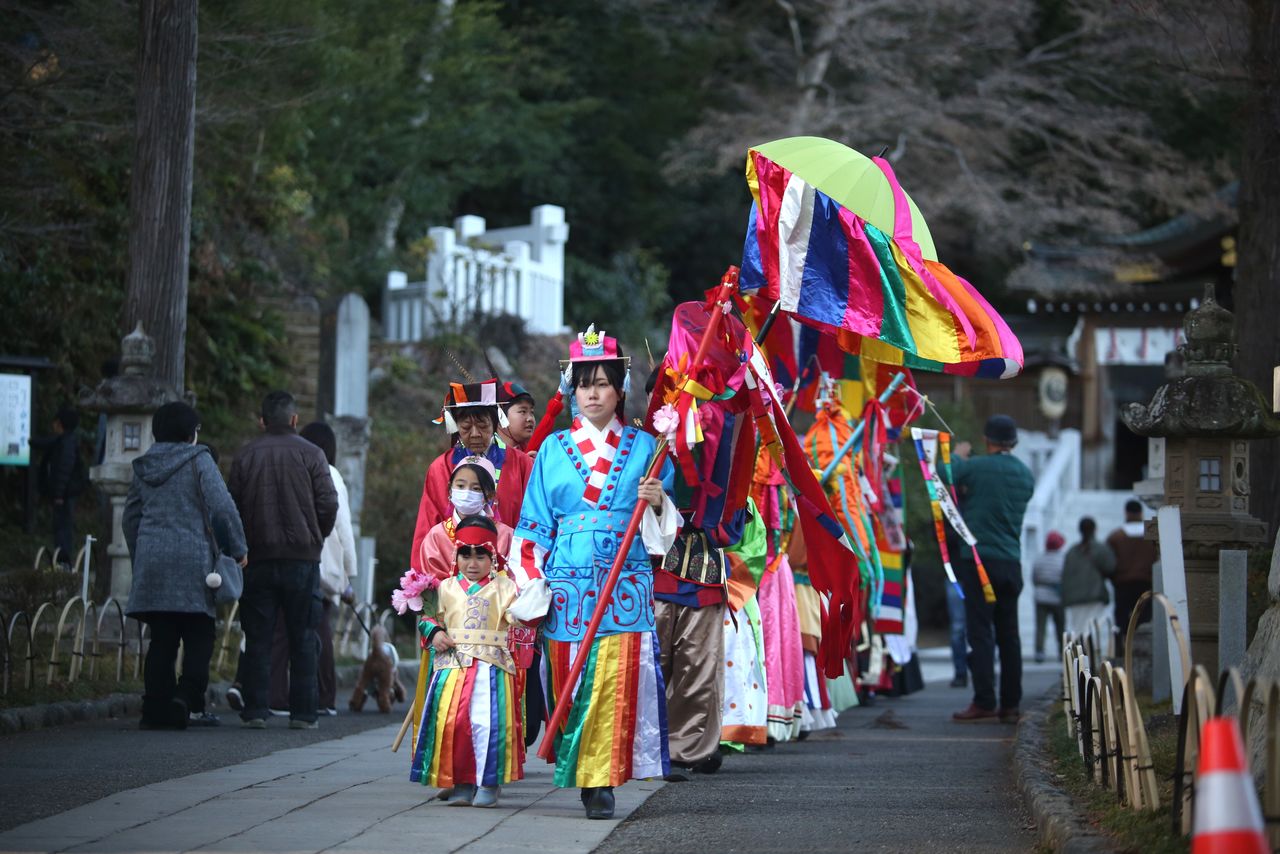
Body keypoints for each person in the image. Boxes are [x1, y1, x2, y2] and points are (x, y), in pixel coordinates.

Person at [507, 326, 678, 819]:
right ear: (572, 391)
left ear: (619, 389)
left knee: (614, 679)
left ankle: (600, 780)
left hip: (623, 584)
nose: (594, 393)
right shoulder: (554, 451)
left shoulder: (648, 450)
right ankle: (583, 766)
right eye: (586, 385)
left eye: (603, 383)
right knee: (569, 681)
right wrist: (532, 584)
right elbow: (533, 526)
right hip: (566, 587)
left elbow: (663, 532)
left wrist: (657, 500)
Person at [123, 401, 247, 729]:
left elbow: (131, 516)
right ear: (191, 433)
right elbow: (222, 508)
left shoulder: (144, 465)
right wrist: (237, 548)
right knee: (198, 635)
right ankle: (186, 697)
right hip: (194, 563)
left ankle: (154, 709)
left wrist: (142, 555)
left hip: (153, 560)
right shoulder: (200, 461)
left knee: (162, 637)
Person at [229, 391, 337, 730]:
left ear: (262, 421)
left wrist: (242, 544)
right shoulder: (313, 454)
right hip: (302, 559)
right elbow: (328, 503)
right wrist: (315, 535)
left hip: (257, 558)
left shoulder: (245, 455)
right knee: (304, 635)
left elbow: (231, 507)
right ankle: (304, 713)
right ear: (294, 419)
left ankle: (256, 709)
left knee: (258, 635)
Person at [408, 515, 525, 808]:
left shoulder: (507, 588)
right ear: (456, 554)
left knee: (487, 722)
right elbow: (428, 618)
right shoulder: (443, 588)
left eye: (481, 555)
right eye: (465, 554)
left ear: (493, 555)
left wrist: (530, 607)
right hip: (451, 667)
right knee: (453, 723)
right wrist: (434, 632)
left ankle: (488, 782)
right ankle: (460, 781)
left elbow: (519, 618)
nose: (472, 563)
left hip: (491, 667)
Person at [949, 415, 1035, 724]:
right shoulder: (1026, 475)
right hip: (1011, 562)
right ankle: (1010, 704)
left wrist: (958, 455)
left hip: (979, 562)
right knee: (1009, 635)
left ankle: (984, 700)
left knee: (981, 631)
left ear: (988, 440)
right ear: (1013, 442)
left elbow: (947, 474)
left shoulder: (978, 466)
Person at [409, 380, 532, 573]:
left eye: (483, 425)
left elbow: (533, 523)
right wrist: (420, 585)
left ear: (496, 422)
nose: (475, 434)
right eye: (466, 427)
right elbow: (426, 528)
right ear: (456, 426)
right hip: (449, 575)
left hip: (508, 574)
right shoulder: (440, 468)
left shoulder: (522, 464)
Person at [299, 421, 357, 717]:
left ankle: (281, 696)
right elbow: (343, 527)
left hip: (294, 560)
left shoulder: (294, 469)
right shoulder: (331, 474)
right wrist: (350, 573)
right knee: (320, 630)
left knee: (288, 632)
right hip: (325, 566)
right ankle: (324, 695)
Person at [418, 456, 513, 586]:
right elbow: (431, 586)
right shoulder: (436, 536)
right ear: (450, 489)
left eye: (476, 488)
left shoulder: (506, 535)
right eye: (461, 486)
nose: (467, 493)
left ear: (490, 495)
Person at [34, 407, 86, 567]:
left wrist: (58, 494)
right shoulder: (64, 441)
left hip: (64, 495)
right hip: (64, 493)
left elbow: (64, 470)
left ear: (59, 424)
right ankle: (61, 562)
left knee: (62, 528)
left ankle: (63, 564)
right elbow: (44, 442)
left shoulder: (67, 443)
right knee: (61, 528)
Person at [1105, 500, 1157, 642]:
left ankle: (1122, 649)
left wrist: (1113, 578)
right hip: (1146, 582)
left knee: (1122, 620)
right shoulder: (1151, 536)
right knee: (1143, 618)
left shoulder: (1115, 536)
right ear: (1141, 513)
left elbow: (1108, 563)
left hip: (1122, 583)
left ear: (1126, 513)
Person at [1061, 516, 1115, 637]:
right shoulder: (1100, 549)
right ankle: (1090, 655)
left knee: (1078, 630)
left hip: (1075, 597)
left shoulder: (1072, 551)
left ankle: (1081, 655)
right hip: (1095, 595)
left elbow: (1065, 576)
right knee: (1093, 631)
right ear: (1095, 529)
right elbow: (1110, 568)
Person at [1031, 531, 1067, 664]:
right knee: (1060, 627)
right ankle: (1061, 652)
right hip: (1058, 598)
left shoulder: (1039, 558)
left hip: (1040, 597)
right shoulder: (1062, 559)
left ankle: (1039, 652)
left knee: (1040, 626)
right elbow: (1065, 578)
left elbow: (1034, 578)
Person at [498, 381, 537, 451]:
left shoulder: (537, 455)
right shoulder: (488, 456)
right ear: (500, 416)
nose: (530, 418)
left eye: (532, 412)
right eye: (523, 411)